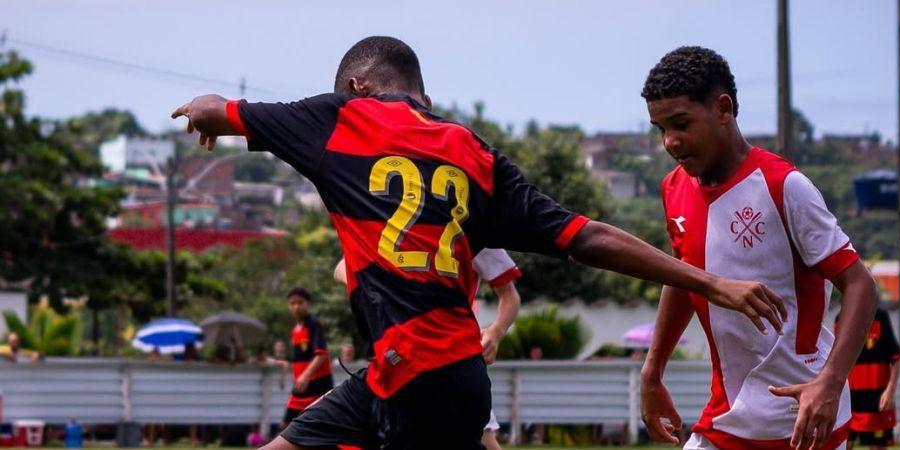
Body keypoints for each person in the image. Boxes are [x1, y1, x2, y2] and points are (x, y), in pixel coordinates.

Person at [172, 36, 786, 450]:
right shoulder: (474, 154)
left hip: (412, 372)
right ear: (423, 97)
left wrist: (200, 112)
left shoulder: (340, 117)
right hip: (447, 377)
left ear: (357, 86)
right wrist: (712, 282)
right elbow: (589, 236)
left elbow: (216, 110)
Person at [638, 46, 878, 450]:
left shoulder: (784, 185)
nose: (671, 141)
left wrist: (831, 382)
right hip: (728, 416)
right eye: (661, 129)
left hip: (803, 416)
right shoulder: (674, 188)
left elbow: (860, 285)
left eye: (680, 124)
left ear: (723, 109)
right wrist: (652, 371)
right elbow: (683, 276)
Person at [336, 248, 521, 450]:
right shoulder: (385, 234)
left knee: (481, 437)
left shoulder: (472, 235)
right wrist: (373, 285)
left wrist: (496, 331)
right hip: (399, 359)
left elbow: (509, 294)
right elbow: (342, 267)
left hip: (454, 361)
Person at [837, 308, 900, 450]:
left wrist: (889, 392)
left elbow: (896, 357)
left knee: (877, 446)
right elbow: (836, 359)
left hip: (877, 401)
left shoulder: (880, 317)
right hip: (850, 400)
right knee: (843, 445)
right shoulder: (841, 318)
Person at [282, 287, 333, 429]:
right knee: (287, 425)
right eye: (292, 303)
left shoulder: (314, 324)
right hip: (302, 387)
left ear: (308, 304)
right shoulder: (295, 329)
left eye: (300, 302)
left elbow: (321, 354)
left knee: (322, 425)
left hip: (318, 385)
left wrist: (305, 376)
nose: (296, 306)